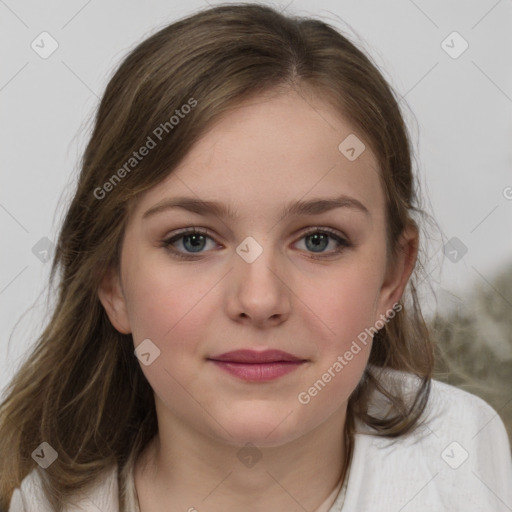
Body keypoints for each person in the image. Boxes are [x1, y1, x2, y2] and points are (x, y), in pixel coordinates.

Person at [1, 3, 511, 511]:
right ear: (111, 281)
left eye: (319, 240)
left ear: (391, 279)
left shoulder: (463, 457)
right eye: (193, 241)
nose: (260, 299)